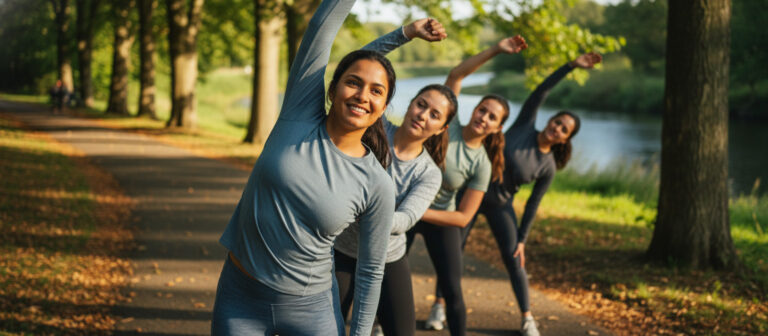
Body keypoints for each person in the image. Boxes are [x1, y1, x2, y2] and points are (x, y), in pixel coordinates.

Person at [211, 0, 400, 335]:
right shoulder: (298, 114)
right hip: (239, 298)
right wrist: (404, 34)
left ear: (383, 106)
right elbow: (321, 28)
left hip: (311, 312)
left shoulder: (377, 184)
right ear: (333, 88)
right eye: (353, 82)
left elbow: (371, 271)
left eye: (376, 91)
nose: (362, 95)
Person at [424, 49, 603, 336]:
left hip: (499, 204)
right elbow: (541, 91)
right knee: (452, 253)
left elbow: (533, 203)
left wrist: (522, 239)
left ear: (565, 139)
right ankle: (439, 306)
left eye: (564, 130)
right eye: (557, 122)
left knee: (514, 258)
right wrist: (571, 65)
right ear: (550, 120)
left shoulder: (547, 166)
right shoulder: (524, 126)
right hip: (470, 193)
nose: (557, 128)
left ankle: (527, 318)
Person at [333, 18, 452, 336]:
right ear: (409, 104)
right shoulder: (376, 127)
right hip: (341, 250)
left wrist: (363, 210)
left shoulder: (429, 173)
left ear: (440, 128)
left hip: (387, 258)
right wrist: (406, 34)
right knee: (325, 329)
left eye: (434, 115)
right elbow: (357, 66)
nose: (423, 115)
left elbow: (405, 220)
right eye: (421, 105)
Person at [405, 36, 529, 336]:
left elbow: (463, 218)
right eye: (482, 109)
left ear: (498, 127)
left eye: (492, 117)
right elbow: (456, 75)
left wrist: (415, 213)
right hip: (405, 206)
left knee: (452, 290)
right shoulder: (447, 127)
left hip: (438, 217)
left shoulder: (482, 164)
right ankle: (377, 325)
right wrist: (496, 49)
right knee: (380, 272)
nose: (483, 117)